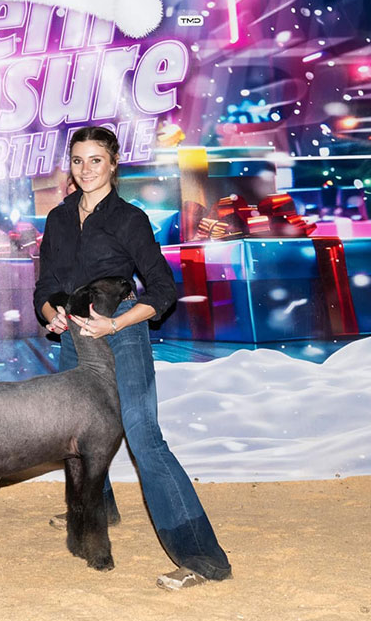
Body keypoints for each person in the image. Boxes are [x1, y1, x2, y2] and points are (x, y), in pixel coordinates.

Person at [34, 126, 231, 590]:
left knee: (144, 437)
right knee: (79, 435)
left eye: (95, 160)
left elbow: (162, 291)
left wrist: (116, 324)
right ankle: (97, 511)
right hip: (75, 337)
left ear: (113, 163)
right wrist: (52, 314)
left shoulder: (129, 219)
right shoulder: (58, 218)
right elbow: (46, 286)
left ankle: (203, 558)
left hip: (121, 332)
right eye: (78, 160)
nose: (86, 169)